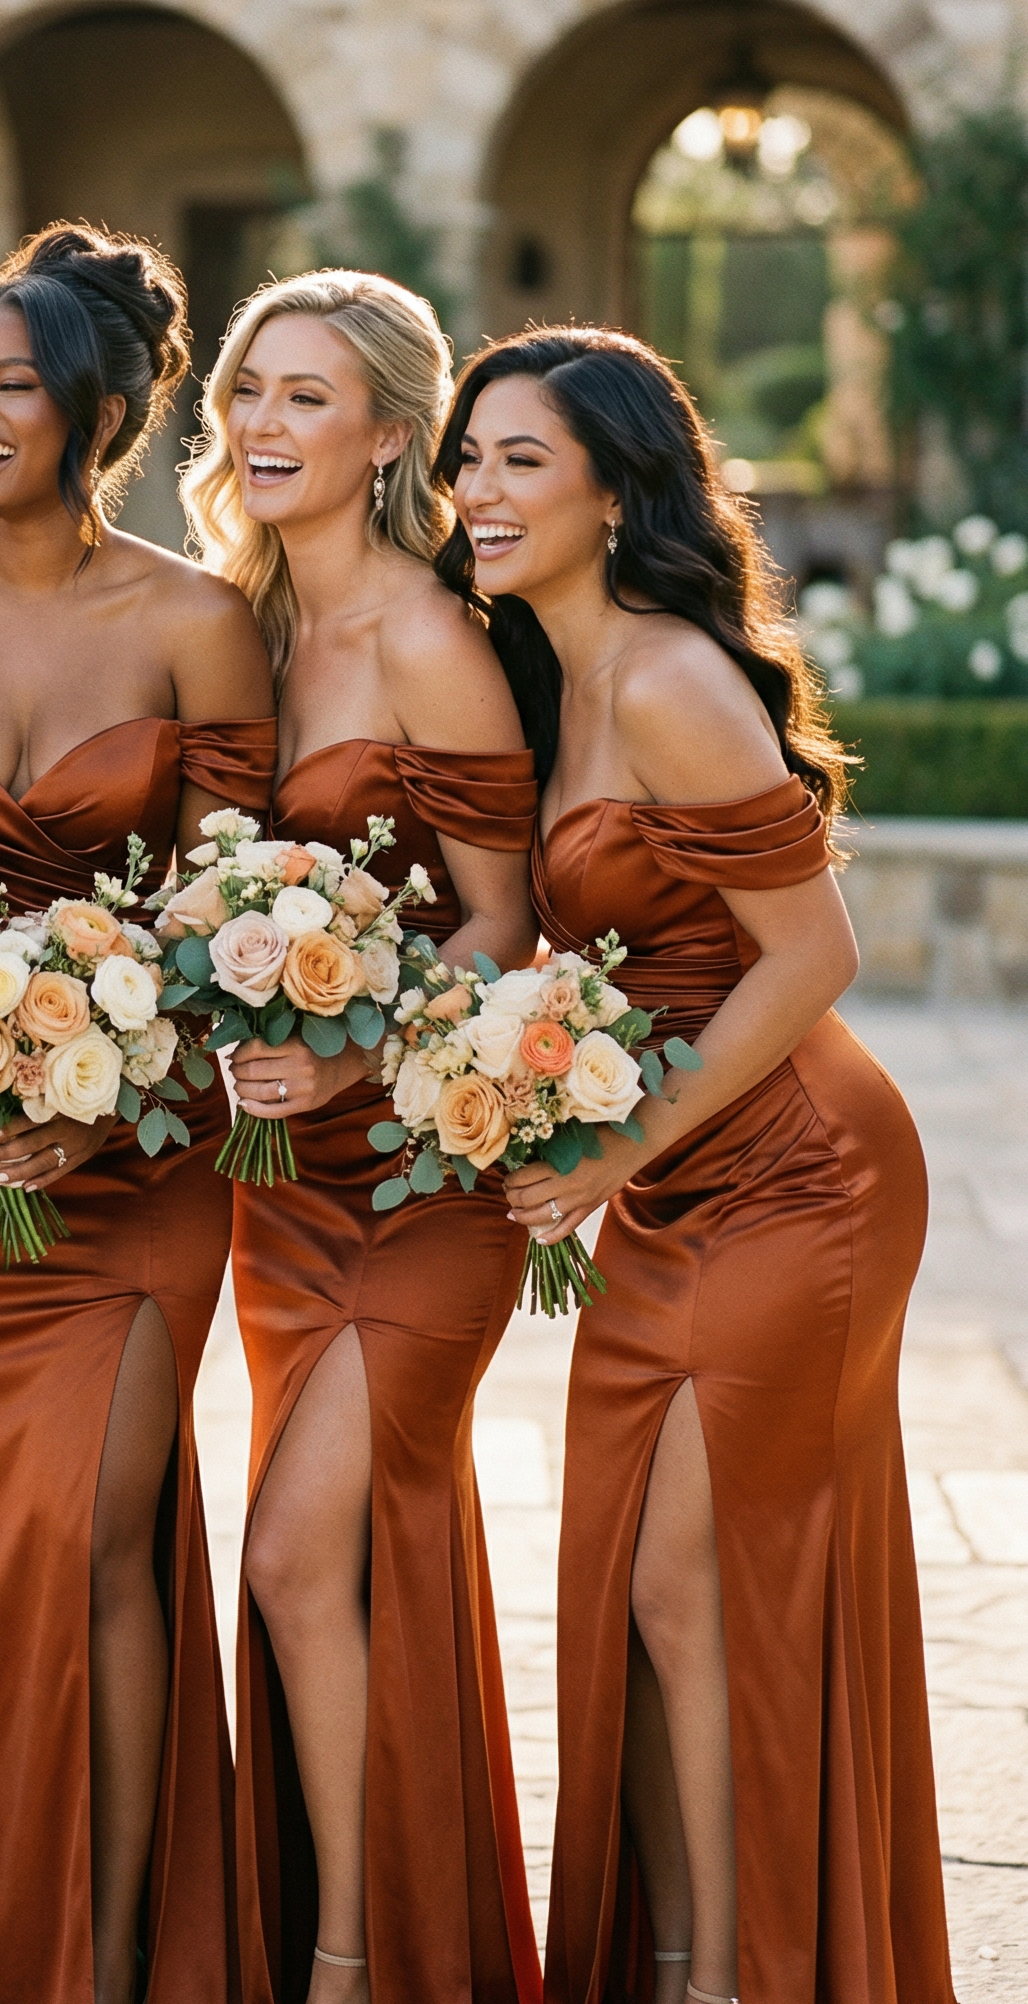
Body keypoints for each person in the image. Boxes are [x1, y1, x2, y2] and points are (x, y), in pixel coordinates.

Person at [439, 326, 953, 2004]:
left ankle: (741, 1977)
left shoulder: (664, 676)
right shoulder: (545, 671)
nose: (483, 491)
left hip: (804, 1170)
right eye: (470, 458)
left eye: (525, 458)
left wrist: (617, 1146)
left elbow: (814, 954)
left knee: (690, 1578)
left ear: (614, 484)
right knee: (645, 1582)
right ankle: (677, 1957)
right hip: (674, 1175)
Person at [0, 222, 275, 2004]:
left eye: (15, 383)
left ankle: (100, 1970)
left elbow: (236, 914)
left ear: (99, 410)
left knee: (105, 1538)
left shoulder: (197, 622)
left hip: (140, 1153)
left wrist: (98, 1115)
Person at [180, 270, 542, 2003]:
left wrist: (347, 1056)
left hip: (419, 1175)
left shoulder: (425, 632)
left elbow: (506, 923)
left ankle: (350, 1958)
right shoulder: (237, 622)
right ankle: (396, 1931)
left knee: (291, 1551)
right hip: (280, 1194)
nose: (261, 423)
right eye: (251, 389)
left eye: (307, 399)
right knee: (342, 1561)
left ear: (393, 433)